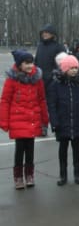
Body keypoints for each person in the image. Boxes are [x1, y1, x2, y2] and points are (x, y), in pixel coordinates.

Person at [0, 50, 49, 189]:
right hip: (18, 120)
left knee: (31, 149)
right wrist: (4, 121)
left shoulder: (37, 79)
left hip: (32, 119)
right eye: (26, 63)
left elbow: (41, 99)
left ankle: (29, 175)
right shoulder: (12, 80)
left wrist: (45, 119)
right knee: (19, 149)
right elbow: (5, 100)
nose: (29, 66)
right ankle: (18, 177)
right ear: (19, 65)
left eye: (31, 63)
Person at [47, 55, 79, 186]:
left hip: (77, 122)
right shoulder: (56, 85)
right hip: (62, 123)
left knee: (76, 148)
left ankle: (78, 172)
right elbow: (52, 105)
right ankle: (63, 174)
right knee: (63, 148)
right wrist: (54, 122)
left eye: (76, 68)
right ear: (65, 68)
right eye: (71, 68)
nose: (74, 70)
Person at [34, 24, 66, 136]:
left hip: (54, 81)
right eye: (43, 33)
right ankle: (43, 127)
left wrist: (56, 77)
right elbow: (36, 62)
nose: (44, 34)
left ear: (52, 34)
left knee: (55, 105)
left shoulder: (59, 47)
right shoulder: (40, 46)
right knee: (41, 106)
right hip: (40, 81)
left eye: (47, 32)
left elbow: (63, 64)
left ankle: (58, 126)